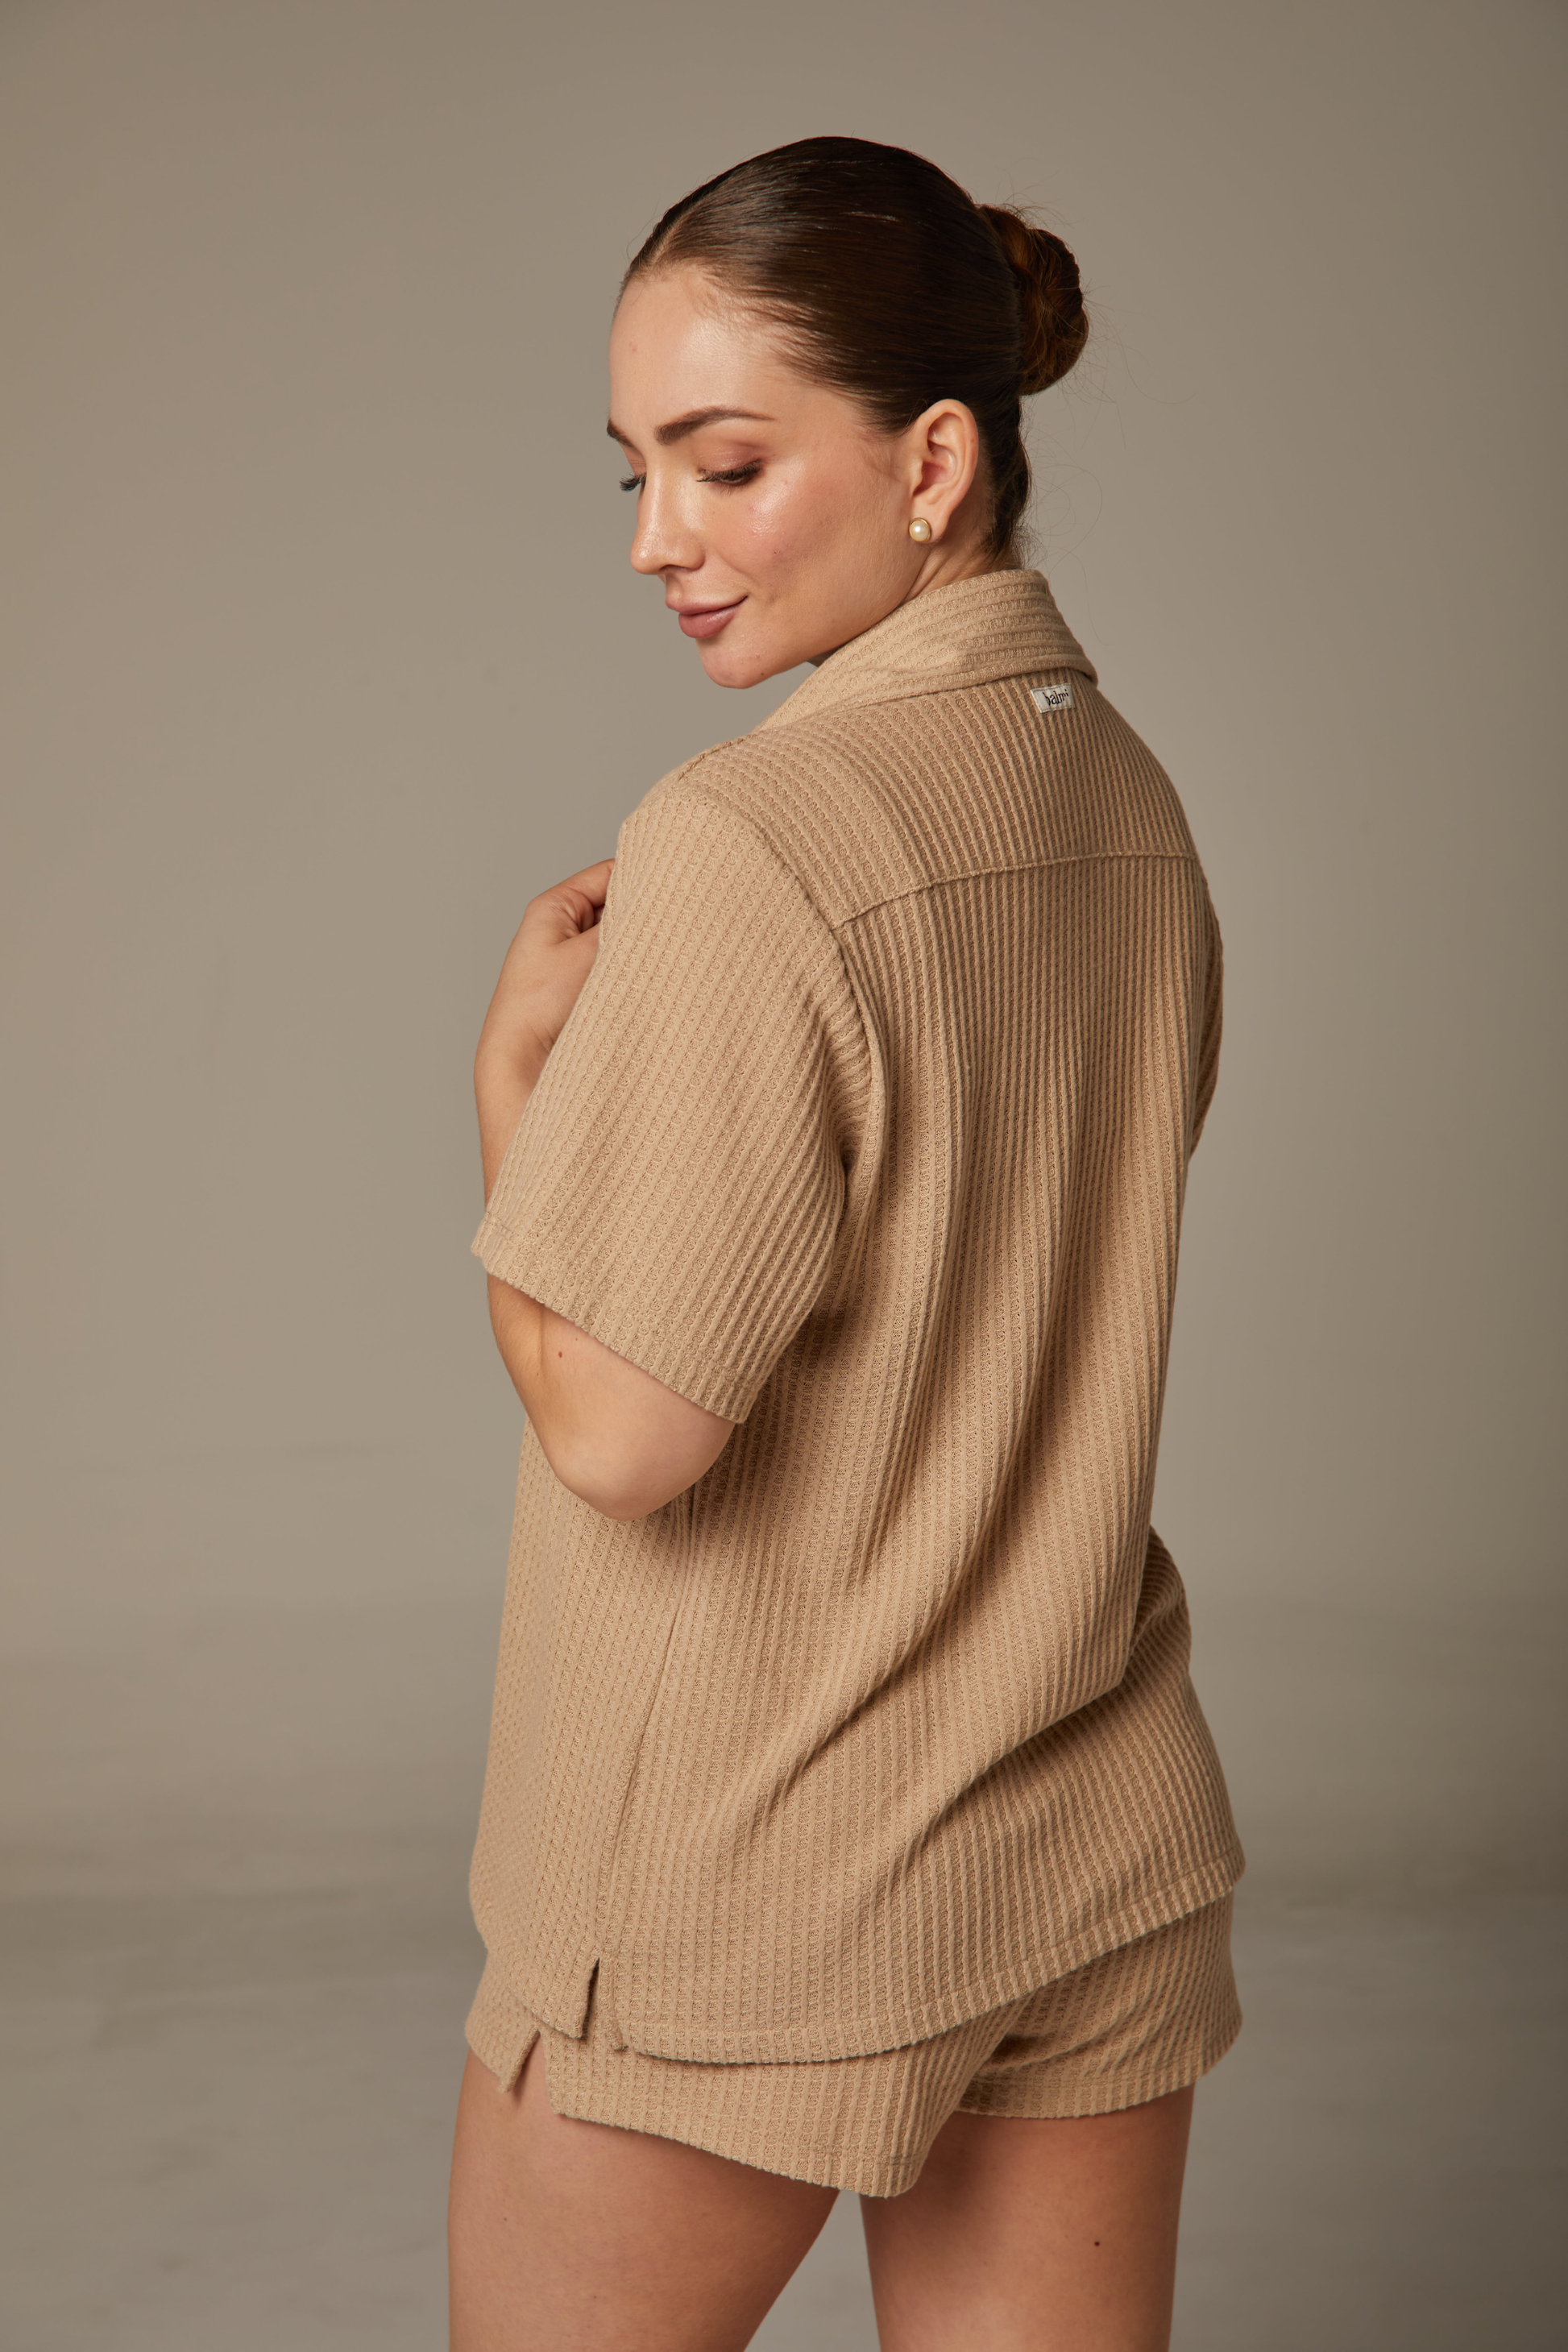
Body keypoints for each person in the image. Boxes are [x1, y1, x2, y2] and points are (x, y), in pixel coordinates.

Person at [446, 135, 1244, 2352]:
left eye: (723, 464)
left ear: (934, 462)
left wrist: (513, 1093)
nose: (656, 538)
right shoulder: (1127, 802)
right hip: (1084, 1820)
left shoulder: (751, 840)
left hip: (757, 1875)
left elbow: (627, 1434)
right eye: (634, 473)